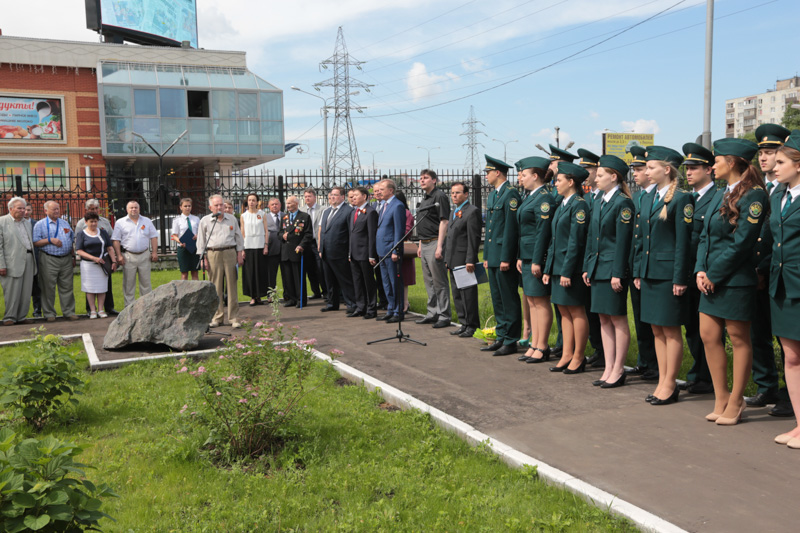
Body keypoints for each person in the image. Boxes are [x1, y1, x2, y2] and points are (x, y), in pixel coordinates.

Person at [696, 138, 767, 424]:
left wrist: (715, 273)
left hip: (735, 279)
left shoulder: (754, 195)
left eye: (716, 161)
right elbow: (704, 236)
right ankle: (721, 397)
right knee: (708, 335)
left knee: (738, 339)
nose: (712, 166)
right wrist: (700, 270)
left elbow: (743, 243)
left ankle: (737, 401)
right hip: (710, 278)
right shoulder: (719, 193)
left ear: (733, 162)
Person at [634, 146, 693, 405]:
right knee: (656, 330)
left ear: (666, 170)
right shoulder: (648, 198)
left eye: (651, 167)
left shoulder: (681, 199)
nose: (646, 171)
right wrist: (639, 271)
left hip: (668, 275)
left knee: (670, 331)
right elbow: (641, 240)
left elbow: (683, 243)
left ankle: (670, 383)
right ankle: (662, 380)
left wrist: (680, 278)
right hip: (649, 273)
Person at [748, 123, 794, 418]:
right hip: (755, 273)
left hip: (778, 273)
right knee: (758, 332)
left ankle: (790, 396)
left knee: (787, 342)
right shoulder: (760, 189)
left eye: (772, 152)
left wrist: (764, 268)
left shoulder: (786, 188)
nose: (765, 158)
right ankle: (766, 386)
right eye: (762, 153)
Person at [582, 155, 634, 388]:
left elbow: (623, 242)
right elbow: (592, 238)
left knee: (617, 319)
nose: (596, 179)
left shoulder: (623, 203)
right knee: (603, 318)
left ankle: (619, 369)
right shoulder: (599, 201)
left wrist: (618, 273)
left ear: (614, 177)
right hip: (598, 268)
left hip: (612, 269)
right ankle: (608, 367)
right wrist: (588, 267)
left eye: (601, 175)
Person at [767, 132, 800, 447]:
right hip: (781, 286)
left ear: (798, 165)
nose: (774, 167)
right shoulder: (778, 195)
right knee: (790, 356)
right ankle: (799, 424)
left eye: (780, 162)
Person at [543, 162, 589, 373]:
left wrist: (567, 271)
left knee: (576, 311)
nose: (555, 183)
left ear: (571, 182)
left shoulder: (579, 205)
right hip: (558, 267)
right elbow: (554, 240)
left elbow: (575, 242)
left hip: (570, 269)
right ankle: (567, 354)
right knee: (564, 311)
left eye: (559, 180)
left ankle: (578, 356)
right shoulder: (563, 203)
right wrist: (548, 269)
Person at [681, 142, 717, 395]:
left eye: (694, 168)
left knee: (710, 331)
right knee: (691, 327)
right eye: (687, 168)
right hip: (688, 272)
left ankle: (709, 376)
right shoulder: (689, 198)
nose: (689, 172)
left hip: (706, 273)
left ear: (709, 170)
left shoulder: (718, 198)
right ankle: (698, 373)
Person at [514, 157, 554, 362]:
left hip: (537, 257)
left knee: (540, 301)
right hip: (527, 256)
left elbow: (542, 232)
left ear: (535, 176)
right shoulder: (531, 196)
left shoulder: (544, 198)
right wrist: (521, 257)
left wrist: (537, 260)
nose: (521, 178)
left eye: (524, 175)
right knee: (531, 300)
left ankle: (542, 346)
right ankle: (534, 343)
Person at [481, 155, 521, 357]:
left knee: (508, 298)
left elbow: (511, 229)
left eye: (488, 172)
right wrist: (487, 256)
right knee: (497, 298)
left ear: (497, 173)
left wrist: (506, 258)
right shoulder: (493, 195)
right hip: (493, 254)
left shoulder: (510, 194)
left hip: (504, 256)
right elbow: (490, 229)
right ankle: (501, 335)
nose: (486, 176)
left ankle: (511, 339)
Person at [625, 145, 659, 381]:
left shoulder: (660, 196)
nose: (636, 173)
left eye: (639, 169)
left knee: (654, 320)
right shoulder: (637, 197)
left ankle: (656, 364)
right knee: (639, 317)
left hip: (652, 266)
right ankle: (645, 361)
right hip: (636, 265)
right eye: (635, 169)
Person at [545, 144, 577, 359]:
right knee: (560, 307)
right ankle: (562, 343)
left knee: (570, 308)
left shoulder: (571, 198)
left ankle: (568, 346)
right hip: (556, 256)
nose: (550, 166)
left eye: (553, 163)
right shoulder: (557, 192)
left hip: (566, 259)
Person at [197, 194, 245, 327]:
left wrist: (240, 254)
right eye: (216, 205)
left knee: (232, 286)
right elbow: (201, 241)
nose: (219, 207)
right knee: (215, 286)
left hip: (230, 252)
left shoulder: (232, 219)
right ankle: (217, 317)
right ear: (210, 207)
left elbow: (239, 237)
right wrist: (203, 258)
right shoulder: (205, 221)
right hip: (213, 254)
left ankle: (234, 318)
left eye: (221, 204)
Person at [577, 148, 605, 368]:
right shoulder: (587, 197)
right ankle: (597, 348)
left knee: (600, 311)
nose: (585, 174)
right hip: (587, 260)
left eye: (588, 168)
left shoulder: (604, 197)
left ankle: (604, 351)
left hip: (601, 261)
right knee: (589, 308)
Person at [415, 169, 452, 329]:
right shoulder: (425, 198)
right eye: (421, 178)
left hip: (435, 242)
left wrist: (439, 246)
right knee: (429, 282)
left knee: (439, 282)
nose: (422, 180)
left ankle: (444, 315)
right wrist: (420, 245)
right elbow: (423, 222)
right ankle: (432, 313)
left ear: (434, 180)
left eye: (426, 178)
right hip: (424, 243)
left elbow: (444, 221)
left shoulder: (439, 196)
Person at [445, 181, 481, 338]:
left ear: (466, 194)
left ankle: (472, 325)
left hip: (465, 261)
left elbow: (474, 238)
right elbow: (450, 238)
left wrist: (470, 259)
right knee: (457, 294)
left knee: (468, 294)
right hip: (453, 260)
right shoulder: (453, 211)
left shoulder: (472, 211)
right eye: (452, 193)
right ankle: (464, 323)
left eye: (458, 192)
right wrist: (447, 259)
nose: (454, 195)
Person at [33, 200, 78, 322]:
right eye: (54, 209)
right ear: (45, 211)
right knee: (48, 287)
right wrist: (50, 240)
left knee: (67, 286)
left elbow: (71, 240)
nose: (57, 211)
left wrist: (73, 256)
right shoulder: (40, 224)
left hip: (66, 259)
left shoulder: (64, 223)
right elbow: (35, 242)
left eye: (58, 208)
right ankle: (49, 314)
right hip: (49, 259)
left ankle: (69, 312)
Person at [111, 201, 158, 308]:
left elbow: (154, 237)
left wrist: (154, 252)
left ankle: (146, 306)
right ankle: (129, 307)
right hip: (128, 256)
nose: (134, 209)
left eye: (136, 207)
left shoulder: (147, 221)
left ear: (139, 209)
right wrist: (119, 255)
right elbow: (116, 240)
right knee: (129, 284)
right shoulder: (120, 222)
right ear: (127, 210)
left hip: (144, 255)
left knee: (146, 283)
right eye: (131, 208)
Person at [76, 199, 117, 315]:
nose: (94, 210)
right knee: (89, 287)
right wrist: (92, 258)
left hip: (104, 261)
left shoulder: (105, 222)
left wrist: (114, 260)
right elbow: (78, 245)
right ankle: (91, 310)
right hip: (89, 263)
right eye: (91, 209)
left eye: (96, 208)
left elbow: (111, 241)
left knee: (104, 286)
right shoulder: (81, 225)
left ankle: (106, 308)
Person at [318, 186, 355, 313]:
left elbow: (351, 233)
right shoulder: (326, 211)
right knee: (329, 280)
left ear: (342, 197)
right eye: (331, 195)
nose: (332, 197)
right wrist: (321, 248)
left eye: (335, 195)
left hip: (341, 252)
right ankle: (332, 303)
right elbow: (323, 231)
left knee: (345, 280)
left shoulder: (348, 211)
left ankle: (351, 304)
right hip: (326, 252)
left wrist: (349, 252)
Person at [0, 197, 36, 325]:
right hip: (12, 261)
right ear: (10, 209)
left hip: (29, 259)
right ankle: (9, 317)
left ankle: (21, 316)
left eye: (24, 208)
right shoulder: (2, 222)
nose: (22, 211)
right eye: (19, 208)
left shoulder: (27, 223)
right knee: (12, 291)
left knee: (26, 291)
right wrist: (1, 264)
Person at [375, 179, 406, 323]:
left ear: (391, 190)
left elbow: (399, 230)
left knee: (395, 282)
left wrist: (396, 250)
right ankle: (390, 308)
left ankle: (398, 311)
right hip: (382, 250)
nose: (379, 192)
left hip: (391, 250)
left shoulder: (397, 205)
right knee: (386, 282)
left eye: (382, 189)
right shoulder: (384, 205)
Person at [348, 186, 379, 319]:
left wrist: (371, 254)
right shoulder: (353, 212)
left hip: (365, 253)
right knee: (357, 282)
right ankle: (360, 307)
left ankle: (371, 308)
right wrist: (349, 252)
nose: (353, 198)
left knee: (368, 282)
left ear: (364, 196)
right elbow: (351, 234)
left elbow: (372, 235)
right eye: (352, 196)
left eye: (356, 195)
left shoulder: (370, 212)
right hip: (354, 253)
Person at [280, 195, 314, 308]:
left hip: (297, 251)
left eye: (290, 203)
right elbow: (279, 232)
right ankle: (291, 299)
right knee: (288, 277)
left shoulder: (304, 216)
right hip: (286, 251)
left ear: (296, 203)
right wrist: (282, 236)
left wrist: (301, 245)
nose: (288, 205)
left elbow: (308, 234)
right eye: (287, 203)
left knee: (298, 277)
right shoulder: (284, 217)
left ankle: (301, 299)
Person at [239, 194, 269, 305]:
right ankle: (252, 296)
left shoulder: (262, 214)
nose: (251, 202)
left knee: (260, 272)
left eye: (253, 200)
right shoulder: (243, 216)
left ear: (257, 202)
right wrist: (242, 249)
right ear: (247, 202)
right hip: (248, 246)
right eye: (249, 200)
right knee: (250, 272)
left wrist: (266, 245)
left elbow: (266, 231)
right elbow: (242, 232)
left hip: (260, 246)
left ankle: (259, 295)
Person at [303, 187, 326, 300]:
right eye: (306, 196)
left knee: (320, 268)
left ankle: (326, 291)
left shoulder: (322, 209)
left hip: (317, 242)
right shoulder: (301, 210)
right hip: (306, 243)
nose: (307, 198)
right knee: (310, 269)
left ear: (314, 197)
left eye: (309, 196)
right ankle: (316, 292)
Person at [395, 190, 416, 314]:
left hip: (402, 248)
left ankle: (405, 302)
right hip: (391, 247)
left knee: (404, 278)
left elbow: (407, 231)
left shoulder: (406, 213)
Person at [171, 198, 200, 282]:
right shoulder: (177, 220)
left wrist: (197, 236)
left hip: (194, 247)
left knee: (195, 272)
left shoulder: (196, 219)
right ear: (181, 207)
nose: (187, 208)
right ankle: (184, 289)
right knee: (184, 273)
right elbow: (174, 235)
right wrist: (180, 241)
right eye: (185, 206)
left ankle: (196, 289)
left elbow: (200, 232)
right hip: (183, 248)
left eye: (189, 206)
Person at [23, 204, 41, 317]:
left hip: (35, 258)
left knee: (36, 286)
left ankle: (37, 311)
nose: (26, 212)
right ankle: (21, 312)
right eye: (24, 209)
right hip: (21, 259)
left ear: (32, 211)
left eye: (28, 210)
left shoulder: (36, 224)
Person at [265, 198, 284, 300]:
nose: (274, 206)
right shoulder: (265, 217)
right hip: (271, 249)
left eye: (276, 204)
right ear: (268, 206)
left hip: (284, 249)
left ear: (280, 205)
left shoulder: (285, 216)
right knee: (271, 275)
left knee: (286, 274)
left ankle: (288, 295)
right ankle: (271, 295)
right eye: (272, 204)